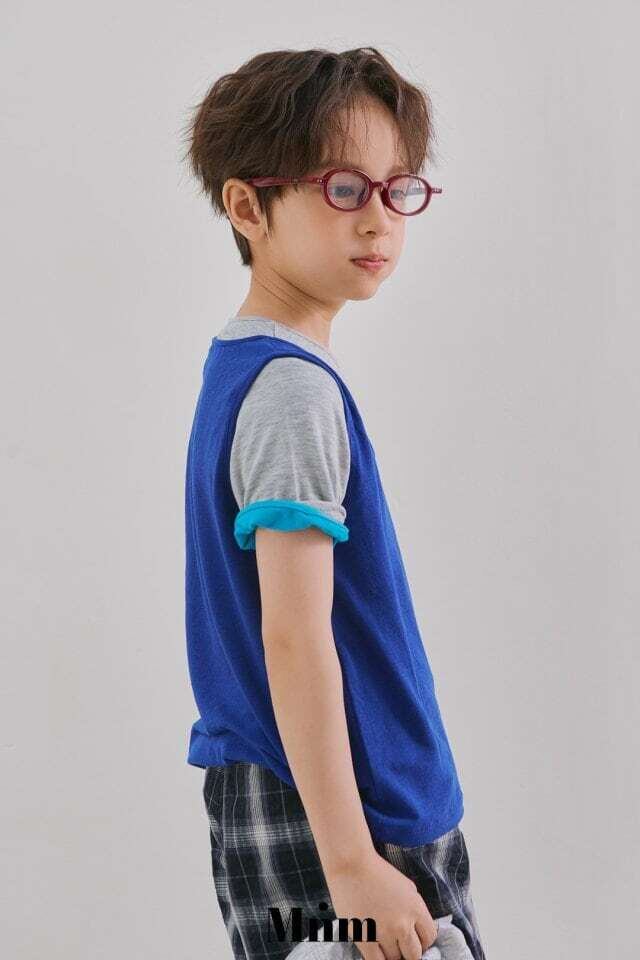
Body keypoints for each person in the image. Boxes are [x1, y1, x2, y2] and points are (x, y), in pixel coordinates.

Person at [181, 46, 487, 960]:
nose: (379, 217)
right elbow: (293, 634)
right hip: (344, 815)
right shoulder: (291, 390)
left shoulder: (251, 368)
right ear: (248, 207)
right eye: (343, 188)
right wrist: (351, 861)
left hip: (319, 800)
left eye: (398, 188)